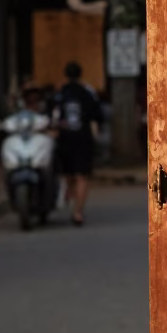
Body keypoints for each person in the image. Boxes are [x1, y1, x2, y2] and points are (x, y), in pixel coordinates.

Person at [53, 62, 101, 225]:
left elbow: (53, 116)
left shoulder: (60, 93)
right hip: (83, 138)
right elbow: (97, 115)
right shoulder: (87, 93)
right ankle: (78, 212)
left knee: (69, 175)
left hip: (65, 139)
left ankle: (71, 199)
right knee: (82, 176)